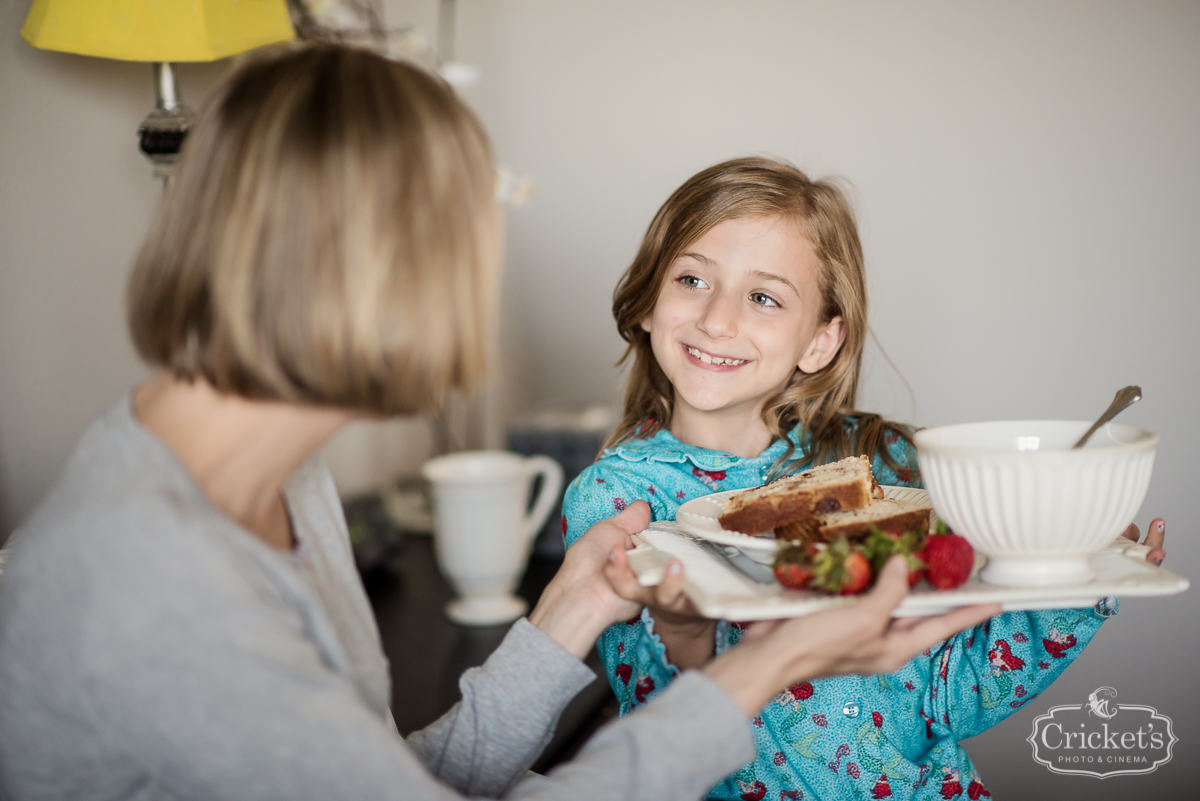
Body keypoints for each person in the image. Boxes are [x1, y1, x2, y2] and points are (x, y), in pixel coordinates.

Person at [0, 45, 1004, 801]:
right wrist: (771, 664)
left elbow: (393, 779)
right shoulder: (149, 585)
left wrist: (566, 614)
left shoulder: (285, 492)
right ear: (377, 270)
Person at [562, 157, 1168, 800]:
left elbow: (947, 697)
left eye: (763, 296)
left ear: (821, 343)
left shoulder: (892, 468)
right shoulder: (616, 502)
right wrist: (688, 636)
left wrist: (1075, 577)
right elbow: (657, 734)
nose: (718, 319)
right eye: (691, 279)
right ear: (649, 302)